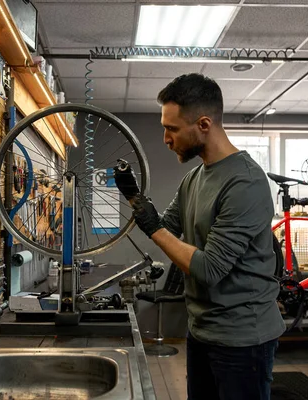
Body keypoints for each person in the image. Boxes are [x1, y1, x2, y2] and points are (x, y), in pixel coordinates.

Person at [114, 73, 285, 400]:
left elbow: (209, 269)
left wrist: (153, 226)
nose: (166, 138)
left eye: (172, 129)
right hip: (203, 331)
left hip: (243, 338)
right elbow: (168, 226)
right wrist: (133, 196)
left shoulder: (245, 183)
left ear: (204, 125)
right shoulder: (193, 179)